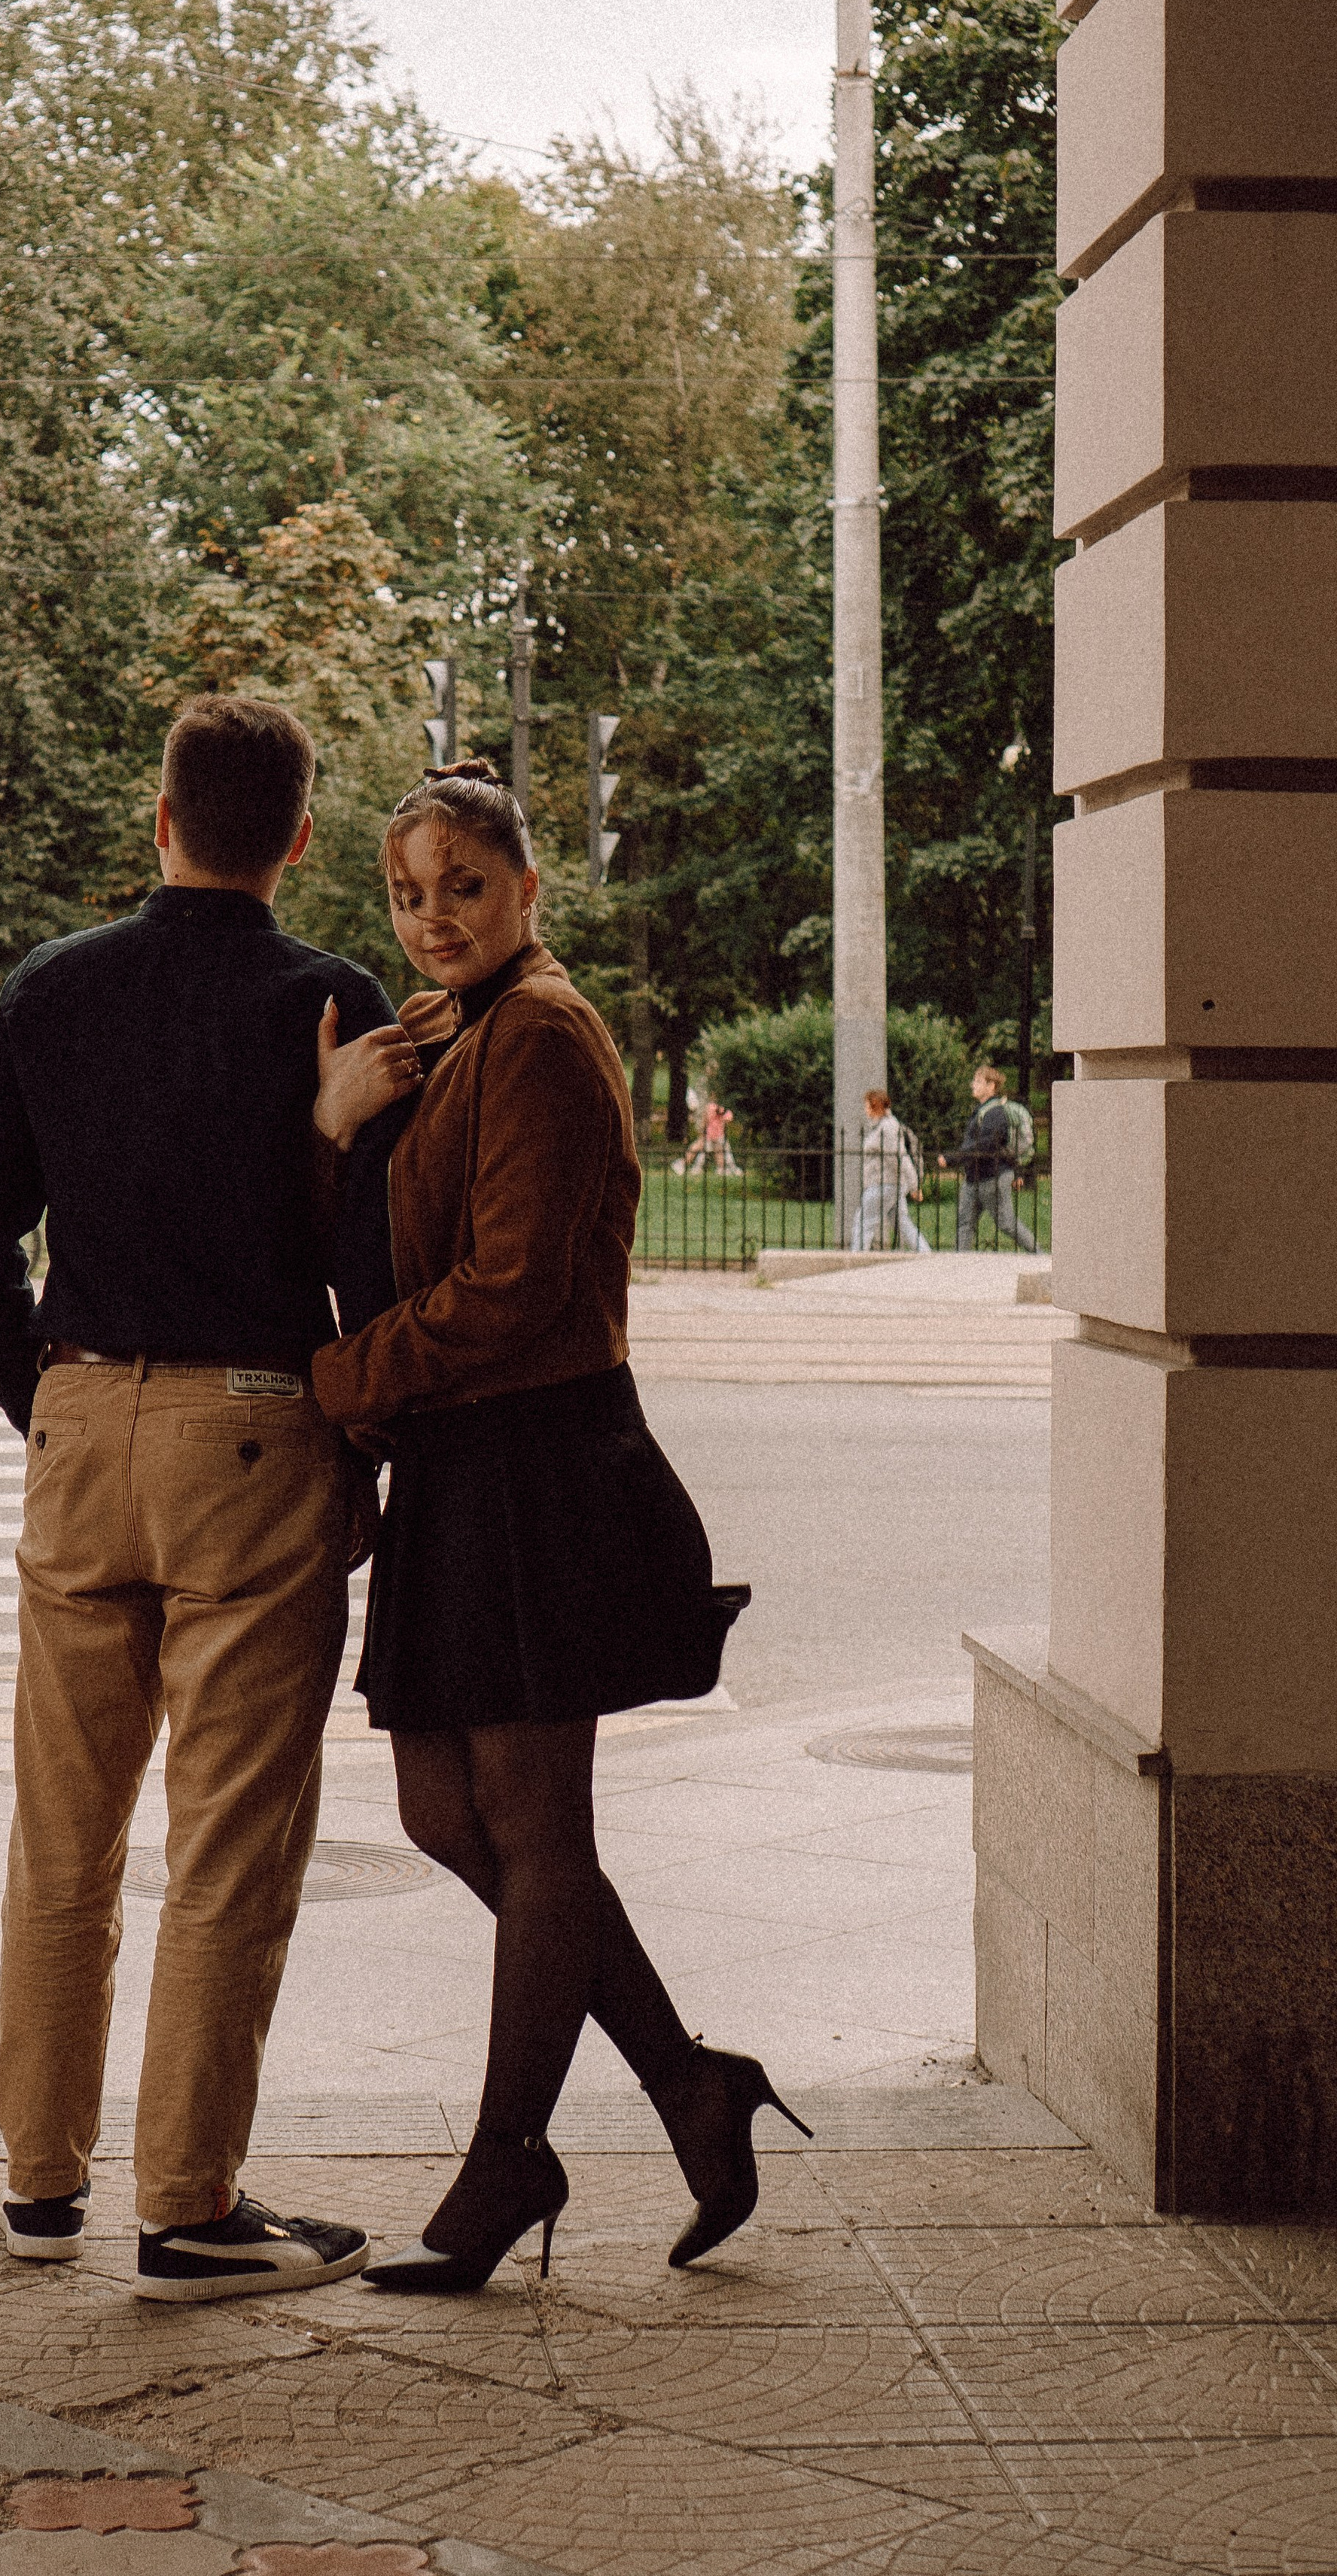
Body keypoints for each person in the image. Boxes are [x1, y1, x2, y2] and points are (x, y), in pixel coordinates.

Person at [0, 695, 421, 2301]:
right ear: (292, 837)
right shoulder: (329, 1001)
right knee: (227, 1846)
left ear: (158, 819)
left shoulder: (52, 988)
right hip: (253, 1426)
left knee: (60, 1835)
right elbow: (370, 1262)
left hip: (83, 1420)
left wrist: (51, 1406)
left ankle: (37, 2181)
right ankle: (189, 2205)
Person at [309, 761, 806, 2296]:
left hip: (535, 1464)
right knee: (446, 1819)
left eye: (463, 884)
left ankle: (507, 2156)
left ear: (527, 889)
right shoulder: (454, 1038)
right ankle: (683, 2081)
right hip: (470, 1467)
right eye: (406, 890)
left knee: (531, 1834)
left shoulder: (541, 1036)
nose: (432, 914)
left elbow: (514, 1284)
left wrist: (343, 1381)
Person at [940, 1064, 1038, 1252]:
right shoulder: (983, 1110)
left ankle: (1039, 1255)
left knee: (1006, 1223)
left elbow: (987, 1145)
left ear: (991, 1086)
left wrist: (954, 1158)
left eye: (978, 1081)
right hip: (974, 1178)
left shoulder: (995, 1113)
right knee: (965, 1224)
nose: (973, 1085)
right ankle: (958, 1264)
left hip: (992, 1178)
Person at [850, 1089, 932, 1253]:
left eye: (867, 1106)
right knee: (903, 1223)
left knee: (863, 1224)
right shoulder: (882, 1126)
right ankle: (926, 1254)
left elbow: (899, 1159)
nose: (865, 1109)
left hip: (883, 1185)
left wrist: (915, 1186)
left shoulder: (887, 1128)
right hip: (890, 1185)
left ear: (876, 1107)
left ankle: (855, 1260)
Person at [672, 1091, 738, 1177]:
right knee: (697, 1147)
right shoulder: (711, 1107)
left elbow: (729, 1118)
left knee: (718, 1150)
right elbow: (707, 1120)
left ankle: (721, 1168)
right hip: (710, 1134)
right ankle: (682, 1164)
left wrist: (722, 1112)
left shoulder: (721, 1109)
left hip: (717, 1135)